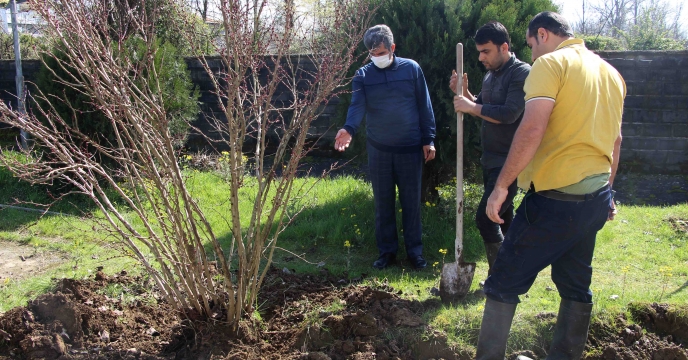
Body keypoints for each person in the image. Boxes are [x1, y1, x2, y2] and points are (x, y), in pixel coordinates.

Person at [476, 12, 625, 360]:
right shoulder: (611, 73)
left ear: (542, 34)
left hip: (555, 199)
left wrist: (501, 187)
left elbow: (531, 129)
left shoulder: (551, 65)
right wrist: (609, 192)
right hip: (595, 198)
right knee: (576, 285)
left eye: (530, 45)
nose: (531, 55)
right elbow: (616, 141)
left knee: (502, 282)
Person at [334, 24, 436, 270]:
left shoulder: (411, 69)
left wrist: (429, 139)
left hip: (410, 149)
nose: (376, 58)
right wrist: (349, 128)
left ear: (392, 48)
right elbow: (357, 106)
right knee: (383, 203)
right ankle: (387, 252)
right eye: (372, 54)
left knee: (411, 203)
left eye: (380, 52)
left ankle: (415, 253)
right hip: (379, 150)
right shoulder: (363, 75)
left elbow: (425, 105)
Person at [450, 21, 530, 281]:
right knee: (502, 219)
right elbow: (483, 108)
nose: (481, 57)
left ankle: (500, 278)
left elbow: (508, 114)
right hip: (490, 159)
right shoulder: (490, 74)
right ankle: (509, 275)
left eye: (486, 51)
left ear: (504, 47)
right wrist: (465, 95)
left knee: (486, 218)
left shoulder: (521, 73)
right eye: (479, 52)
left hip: (510, 162)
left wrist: (470, 107)